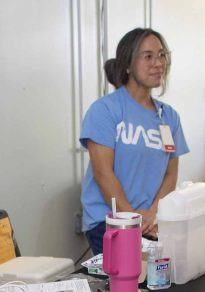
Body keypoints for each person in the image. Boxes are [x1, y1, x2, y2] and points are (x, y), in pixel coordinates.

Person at [79, 27, 189, 255]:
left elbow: (171, 173)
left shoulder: (169, 117)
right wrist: (131, 219)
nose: (158, 63)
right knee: (134, 286)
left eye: (161, 55)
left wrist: (153, 213)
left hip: (151, 221)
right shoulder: (105, 110)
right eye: (148, 56)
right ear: (128, 64)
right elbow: (103, 174)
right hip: (109, 222)